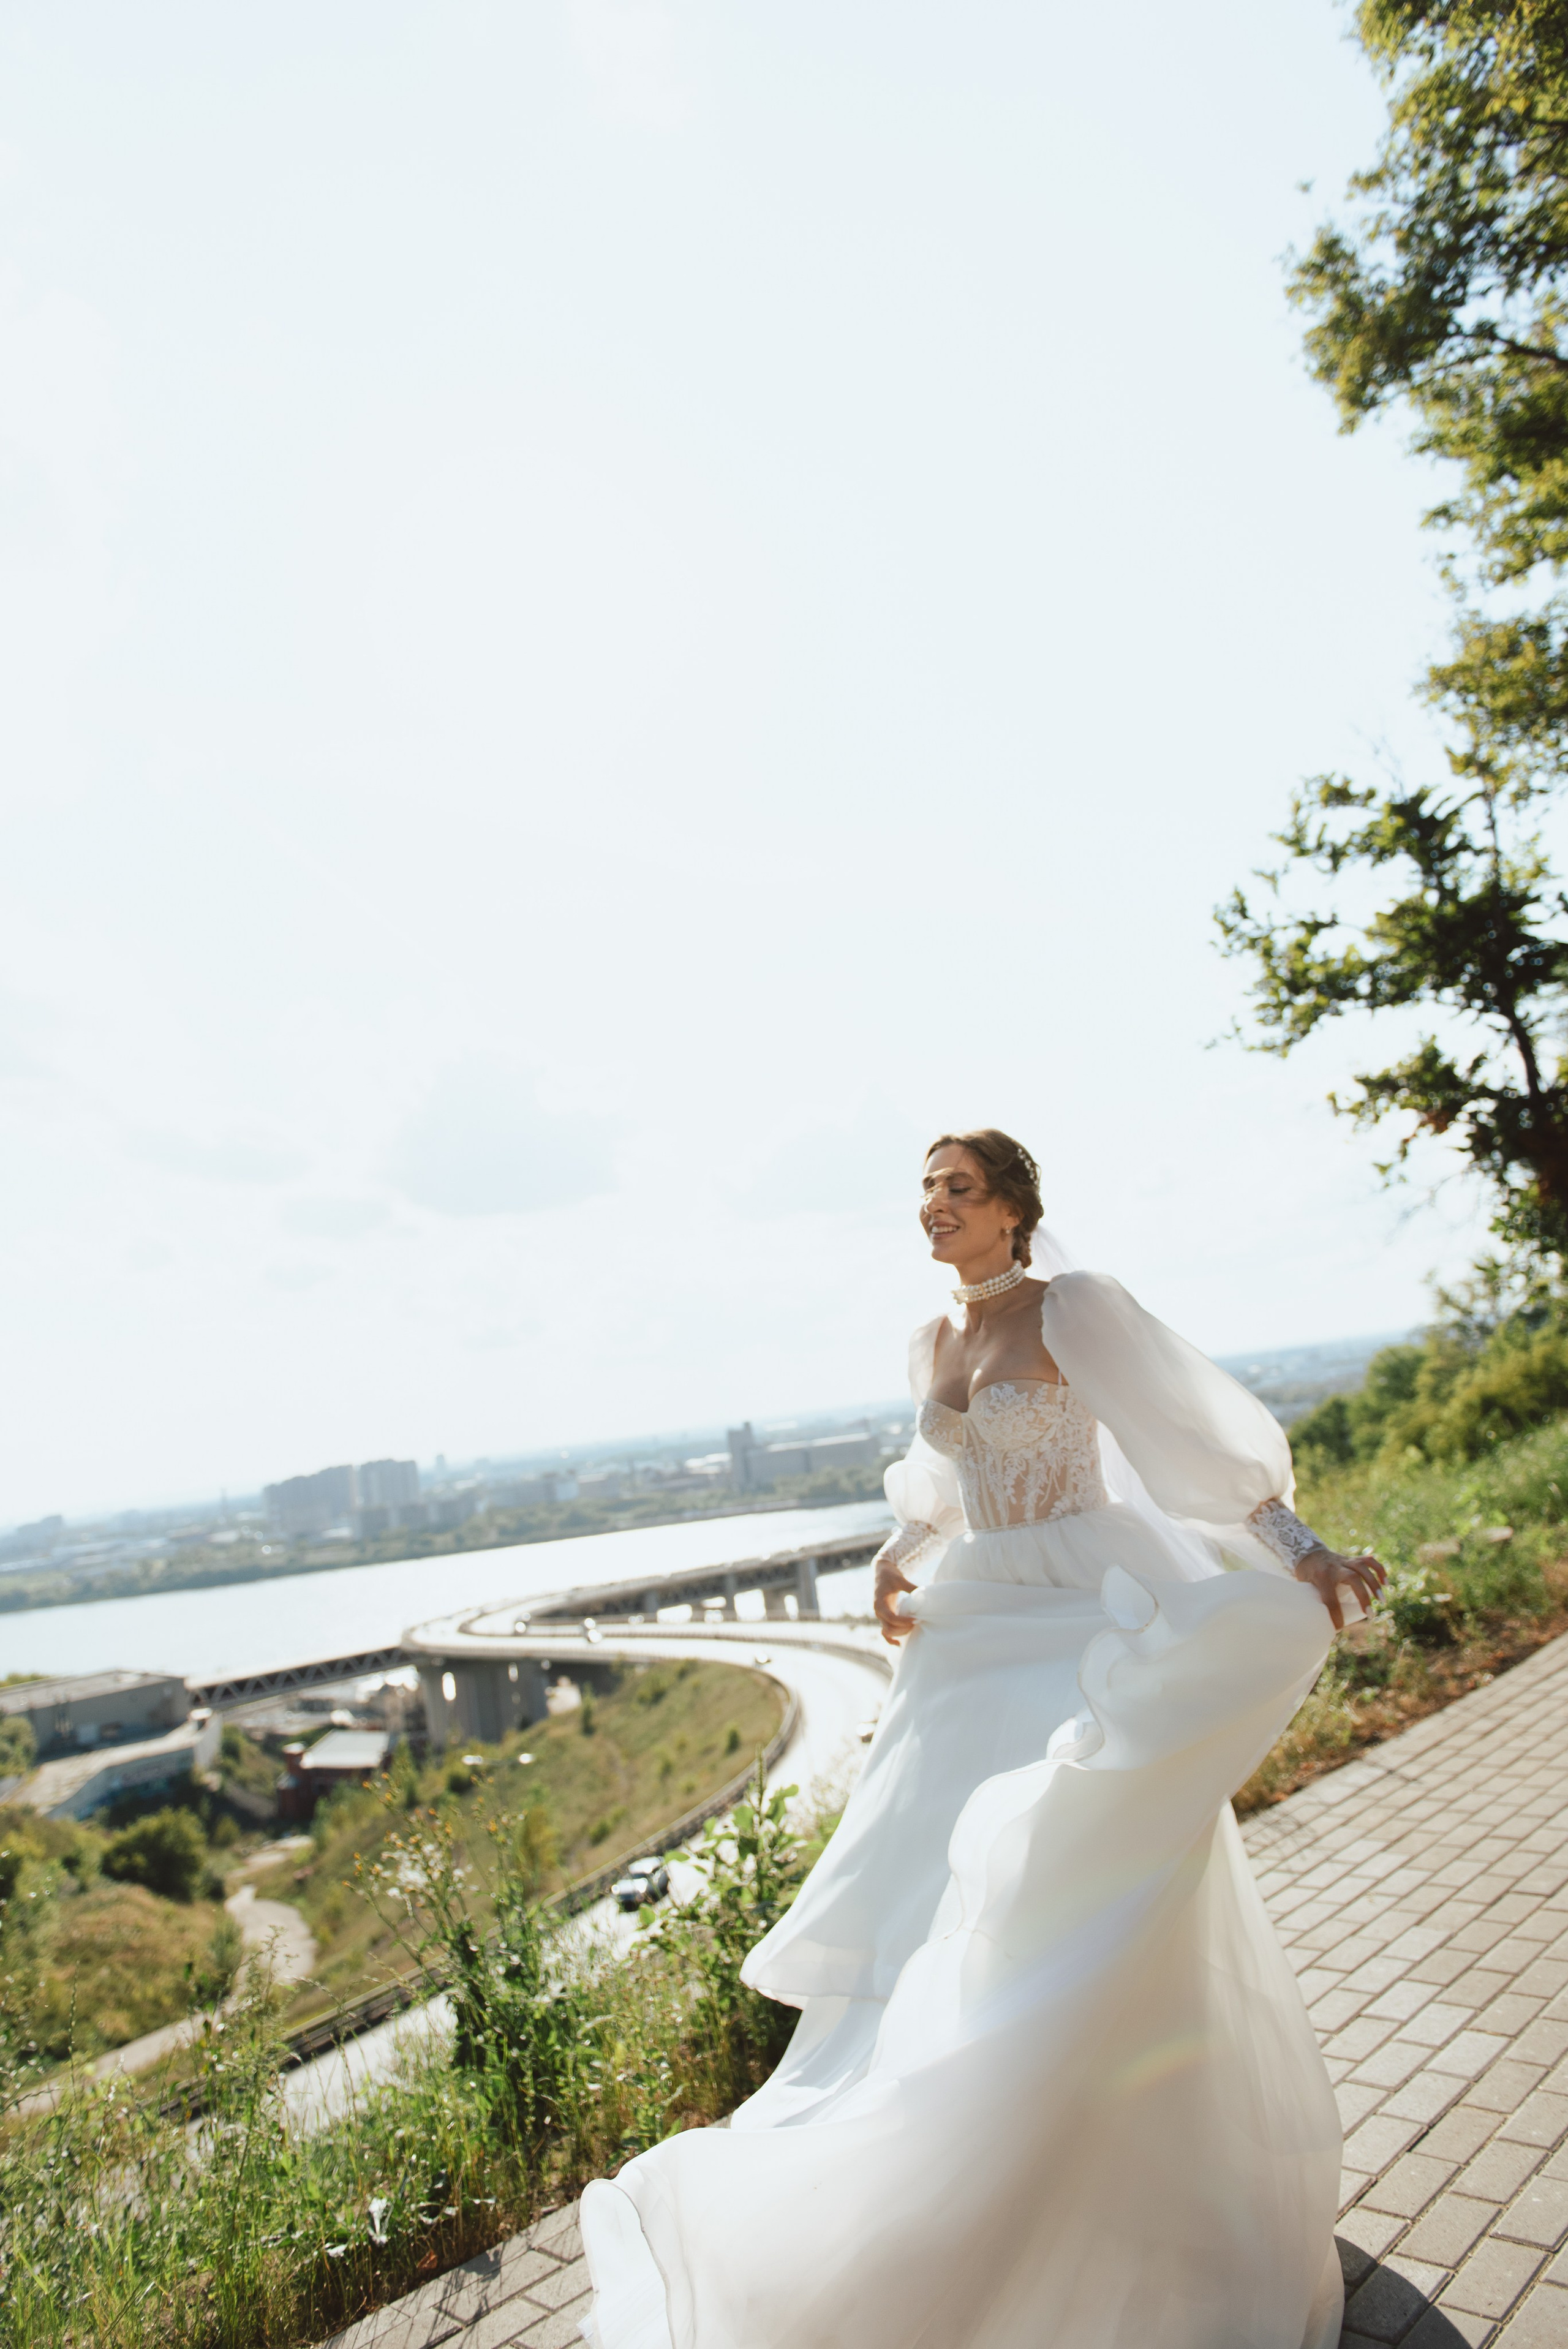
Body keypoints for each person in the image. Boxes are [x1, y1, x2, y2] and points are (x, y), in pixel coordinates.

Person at [581, 1129, 1384, 2349]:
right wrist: (892, 1562)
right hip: (969, 1633)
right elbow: (945, 1478)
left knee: (1068, 1875)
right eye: (923, 1189)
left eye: (958, 1188)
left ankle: (1133, 2173)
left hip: (1075, 1618)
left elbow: (1187, 1455)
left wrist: (1303, 1551)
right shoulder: (932, 1340)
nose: (933, 1207)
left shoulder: (1075, 1311)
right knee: (928, 1898)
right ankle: (951, 2168)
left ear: (1013, 1208)